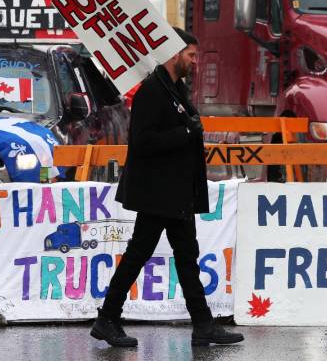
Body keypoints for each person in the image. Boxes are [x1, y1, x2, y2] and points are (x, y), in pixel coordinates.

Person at [91, 28, 244, 348]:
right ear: (173, 54)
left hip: (177, 192)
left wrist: (191, 138)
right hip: (157, 193)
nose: (195, 61)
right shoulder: (152, 91)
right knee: (139, 253)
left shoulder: (176, 88)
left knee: (187, 256)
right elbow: (143, 142)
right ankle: (107, 319)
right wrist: (186, 136)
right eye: (190, 55)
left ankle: (203, 325)